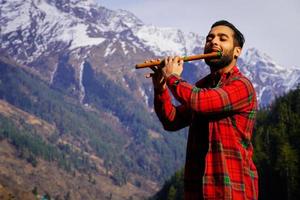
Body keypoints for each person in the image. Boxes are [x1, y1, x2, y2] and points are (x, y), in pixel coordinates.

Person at [147, 20, 258, 199]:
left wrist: (173, 77)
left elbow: (201, 102)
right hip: (198, 191)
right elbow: (171, 121)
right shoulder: (203, 86)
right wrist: (160, 88)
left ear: (237, 51)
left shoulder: (242, 86)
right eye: (209, 38)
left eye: (223, 39)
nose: (213, 42)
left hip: (232, 191)